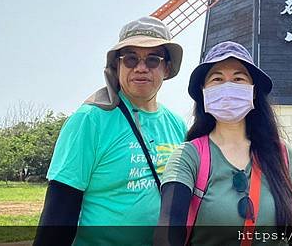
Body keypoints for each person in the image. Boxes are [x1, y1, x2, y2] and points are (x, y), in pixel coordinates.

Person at [34, 16, 187, 246]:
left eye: (153, 60)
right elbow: (59, 211)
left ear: (166, 68)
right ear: (117, 65)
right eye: (131, 59)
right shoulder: (90, 120)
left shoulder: (177, 125)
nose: (141, 68)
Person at [155, 41, 292, 246]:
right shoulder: (187, 157)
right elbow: (167, 237)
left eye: (239, 78)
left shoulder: (282, 154)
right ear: (203, 91)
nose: (228, 86)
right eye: (217, 78)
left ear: (253, 90)